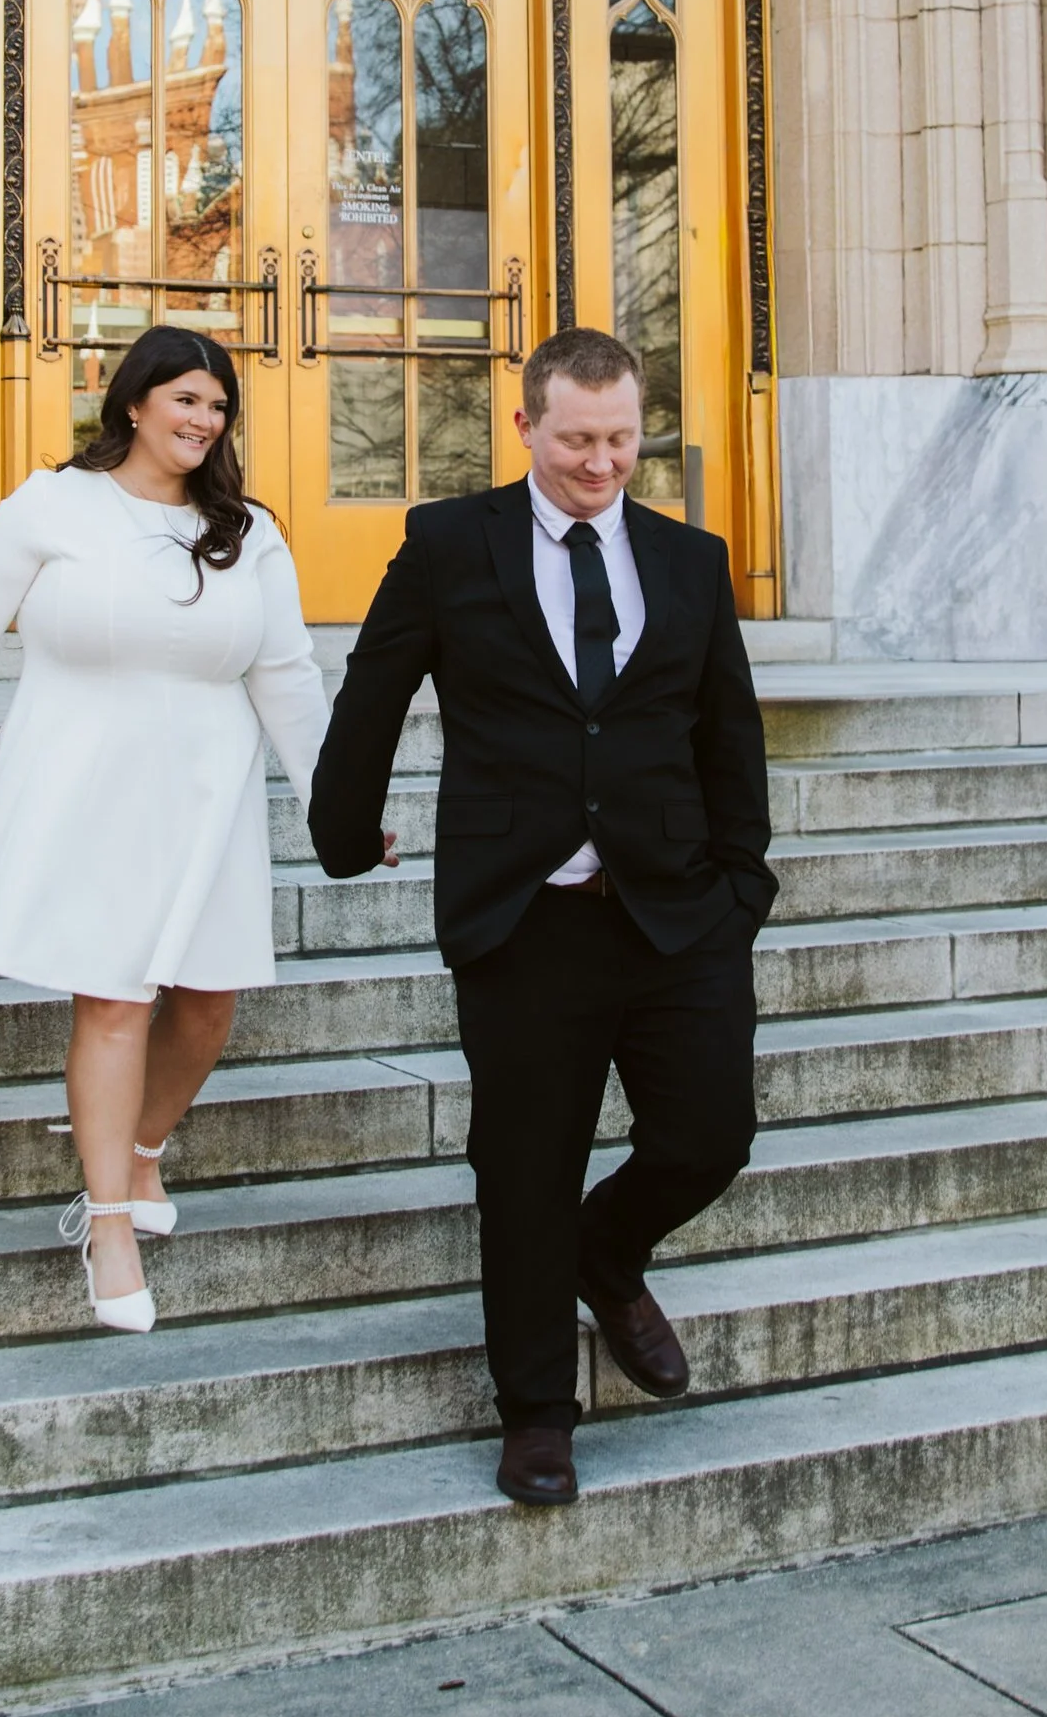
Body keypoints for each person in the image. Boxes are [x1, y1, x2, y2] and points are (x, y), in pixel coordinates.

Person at [308, 326, 775, 1505]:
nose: (602, 463)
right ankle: (535, 1415)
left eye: (621, 439)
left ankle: (605, 1252)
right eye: (577, 439)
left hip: (674, 911)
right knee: (522, 1169)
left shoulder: (688, 559)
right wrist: (343, 831)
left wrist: (741, 887)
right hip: (524, 917)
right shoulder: (447, 544)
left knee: (710, 1134)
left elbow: (728, 732)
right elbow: (374, 690)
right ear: (525, 426)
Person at [0, 326, 330, 1333]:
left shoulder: (249, 530)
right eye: (185, 400)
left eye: (216, 406)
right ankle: (107, 1223)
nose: (202, 421)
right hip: (88, 782)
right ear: (134, 404)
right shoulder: (52, 506)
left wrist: (337, 805)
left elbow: (286, 676)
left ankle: (145, 1149)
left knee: (205, 1007)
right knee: (112, 1003)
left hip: (209, 794)